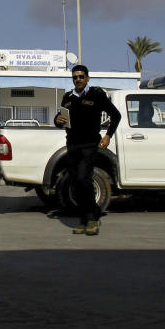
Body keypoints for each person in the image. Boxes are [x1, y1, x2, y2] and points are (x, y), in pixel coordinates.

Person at [54, 64, 121, 235]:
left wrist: (108, 136)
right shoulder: (68, 97)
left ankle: (92, 219)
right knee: (76, 182)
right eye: (75, 77)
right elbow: (60, 119)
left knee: (84, 179)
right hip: (72, 145)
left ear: (87, 78)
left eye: (81, 76)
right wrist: (57, 120)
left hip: (89, 145)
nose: (78, 80)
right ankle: (84, 220)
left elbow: (116, 115)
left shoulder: (97, 95)